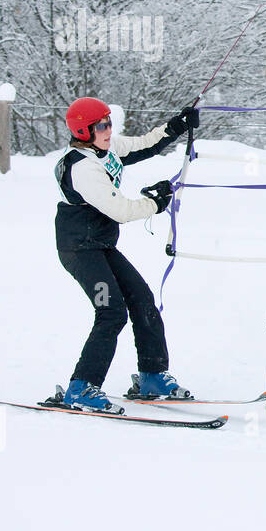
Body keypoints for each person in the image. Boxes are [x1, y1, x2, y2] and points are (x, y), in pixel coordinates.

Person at [52, 97, 199, 412]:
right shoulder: (82, 167)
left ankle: (153, 375)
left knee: (143, 301)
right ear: (84, 130)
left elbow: (144, 145)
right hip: (79, 249)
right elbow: (120, 210)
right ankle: (82, 387)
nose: (109, 129)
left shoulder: (104, 150)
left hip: (101, 244)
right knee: (111, 312)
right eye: (102, 125)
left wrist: (175, 127)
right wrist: (155, 204)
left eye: (109, 122)